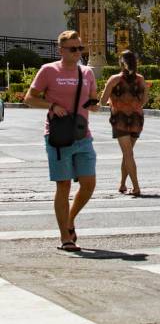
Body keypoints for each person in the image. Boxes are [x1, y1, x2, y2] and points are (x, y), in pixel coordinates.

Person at [24, 31, 99, 252]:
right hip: (58, 137)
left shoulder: (87, 73)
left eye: (79, 48)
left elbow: (93, 99)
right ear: (61, 50)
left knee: (88, 183)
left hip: (82, 135)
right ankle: (65, 237)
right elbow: (30, 98)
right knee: (63, 185)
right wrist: (51, 106)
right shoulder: (48, 70)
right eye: (72, 48)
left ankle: (70, 219)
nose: (77, 52)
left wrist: (95, 104)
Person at [100, 50, 147, 196]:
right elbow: (145, 100)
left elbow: (102, 100)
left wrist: (113, 101)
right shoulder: (140, 79)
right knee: (128, 154)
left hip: (120, 119)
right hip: (137, 119)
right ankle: (122, 184)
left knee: (128, 154)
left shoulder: (114, 79)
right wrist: (134, 105)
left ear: (121, 62)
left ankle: (136, 187)